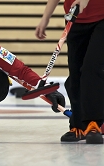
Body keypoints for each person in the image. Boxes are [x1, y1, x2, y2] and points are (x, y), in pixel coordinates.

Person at [35, 0, 104, 144]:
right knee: (75, 76)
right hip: (75, 17)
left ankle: (94, 124)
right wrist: (45, 17)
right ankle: (78, 126)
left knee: (91, 70)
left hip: (101, 18)